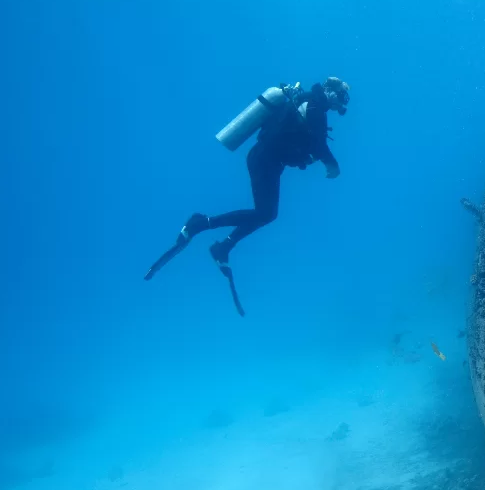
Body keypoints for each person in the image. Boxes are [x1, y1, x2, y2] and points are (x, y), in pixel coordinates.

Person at [144, 77, 350, 313]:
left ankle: (223, 246)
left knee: (267, 214)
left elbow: (311, 142)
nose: (341, 104)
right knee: (266, 212)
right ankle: (201, 224)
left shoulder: (308, 103)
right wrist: (333, 166)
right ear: (329, 91)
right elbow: (319, 146)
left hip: (268, 161)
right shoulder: (314, 106)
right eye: (341, 97)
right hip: (265, 160)